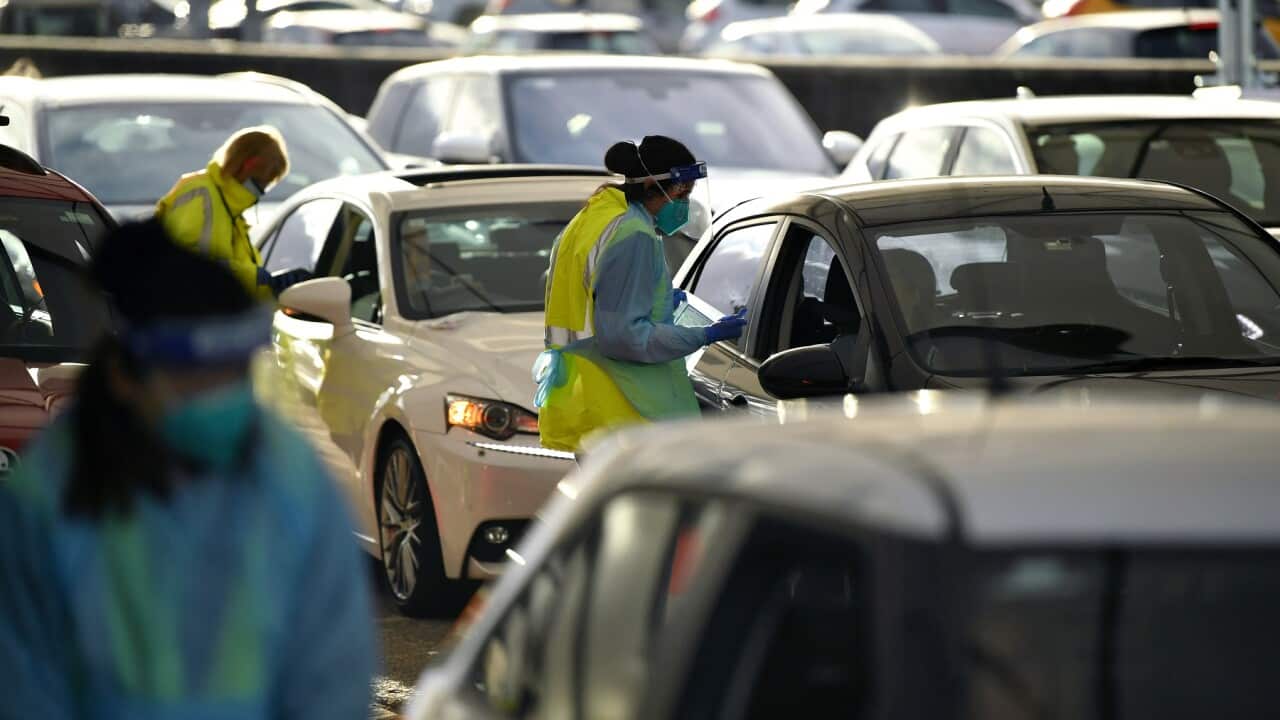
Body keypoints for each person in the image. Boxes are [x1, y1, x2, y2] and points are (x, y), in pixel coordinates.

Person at [0, 220, 376, 718]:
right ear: (125, 376)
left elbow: (334, 674)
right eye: (198, 376)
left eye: (235, 371)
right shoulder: (46, 500)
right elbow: (25, 686)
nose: (222, 396)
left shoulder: (292, 480)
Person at [536, 135, 748, 452]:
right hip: (627, 407)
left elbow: (601, 301)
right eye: (681, 193)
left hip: (594, 397)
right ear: (651, 185)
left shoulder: (596, 217)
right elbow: (626, 337)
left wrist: (657, 302)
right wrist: (703, 335)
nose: (684, 204)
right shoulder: (634, 235)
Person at [155, 126, 308, 300]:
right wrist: (257, 278)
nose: (261, 192)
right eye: (262, 182)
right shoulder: (200, 194)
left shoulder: (230, 210)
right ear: (250, 164)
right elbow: (185, 266)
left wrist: (271, 286)